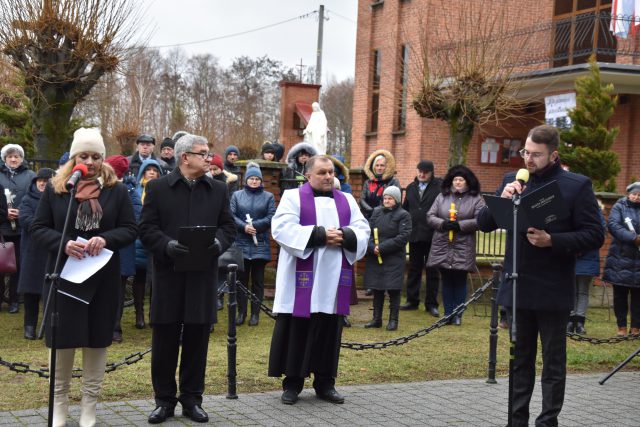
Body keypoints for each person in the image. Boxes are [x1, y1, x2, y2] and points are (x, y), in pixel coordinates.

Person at [477, 124, 604, 426]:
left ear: (554, 154)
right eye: (525, 152)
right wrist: (504, 199)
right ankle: (516, 420)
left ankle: (547, 420)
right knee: (519, 361)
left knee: (552, 363)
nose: (528, 160)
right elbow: (483, 223)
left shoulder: (576, 185)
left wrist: (554, 240)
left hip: (552, 288)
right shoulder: (513, 180)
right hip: (518, 285)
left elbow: (595, 234)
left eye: (536, 154)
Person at [31, 127, 137, 427]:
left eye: (95, 156)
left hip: (101, 278)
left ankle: (89, 406)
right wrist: (63, 243)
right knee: (62, 340)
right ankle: (59, 404)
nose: (89, 161)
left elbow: (131, 228)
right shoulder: (56, 188)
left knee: (96, 339)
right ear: (73, 157)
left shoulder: (115, 190)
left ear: (102, 158)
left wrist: (105, 239)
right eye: (83, 155)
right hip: (64, 277)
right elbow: (38, 228)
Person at [139, 134, 235, 424]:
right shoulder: (156, 188)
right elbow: (146, 229)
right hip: (168, 276)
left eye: (208, 153)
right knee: (165, 340)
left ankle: (192, 400)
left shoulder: (218, 190)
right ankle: (164, 401)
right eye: (203, 153)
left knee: (197, 340)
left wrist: (218, 244)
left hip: (202, 276)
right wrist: (167, 245)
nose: (209, 158)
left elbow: (228, 227)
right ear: (185, 158)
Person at [268, 155, 370, 405]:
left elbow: (363, 229)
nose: (327, 176)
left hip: (333, 280)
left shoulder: (346, 199)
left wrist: (346, 235)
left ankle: (325, 383)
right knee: (297, 330)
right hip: (299, 281)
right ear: (308, 175)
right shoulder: (293, 198)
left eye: (331, 172)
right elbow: (281, 228)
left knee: (328, 331)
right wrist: (320, 235)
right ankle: (292, 383)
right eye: (322, 172)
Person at [427, 165, 484, 326]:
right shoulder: (442, 197)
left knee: (459, 280)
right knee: (446, 280)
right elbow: (430, 216)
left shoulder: (476, 199)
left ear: (467, 182)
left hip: (463, 245)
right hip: (443, 243)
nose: (458, 182)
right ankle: (448, 313)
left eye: (461, 179)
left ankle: (458, 313)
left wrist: (460, 225)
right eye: (455, 179)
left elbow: (480, 220)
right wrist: (443, 224)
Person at [230, 163, 276, 326]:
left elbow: (271, 217)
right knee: (241, 281)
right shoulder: (237, 196)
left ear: (261, 181)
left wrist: (255, 226)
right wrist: (244, 227)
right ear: (246, 180)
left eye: (257, 179)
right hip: (241, 243)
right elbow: (231, 214)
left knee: (258, 281)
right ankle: (241, 313)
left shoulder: (268, 197)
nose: (254, 181)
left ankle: (255, 314)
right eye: (251, 178)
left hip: (260, 245)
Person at [363, 186, 411, 331]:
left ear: (396, 200)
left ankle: (393, 320)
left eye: (390, 198)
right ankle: (376, 319)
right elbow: (368, 232)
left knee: (393, 290)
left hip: (393, 257)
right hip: (375, 256)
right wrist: (372, 247)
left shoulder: (404, 215)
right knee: (377, 288)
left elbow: (403, 237)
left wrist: (382, 248)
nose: (386, 201)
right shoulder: (376, 212)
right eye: (385, 198)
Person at [105, 155, 142, 343]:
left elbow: (135, 218)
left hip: (121, 249)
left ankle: (115, 328)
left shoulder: (130, 191)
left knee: (118, 290)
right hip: (101, 248)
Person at [16, 167, 55, 339]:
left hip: (50, 249)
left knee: (50, 290)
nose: (42, 183)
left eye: (47, 181)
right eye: (40, 180)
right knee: (31, 291)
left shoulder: (57, 199)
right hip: (32, 249)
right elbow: (25, 219)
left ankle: (48, 325)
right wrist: (44, 229)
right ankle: (29, 326)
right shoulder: (27, 199)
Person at [401, 160, 443, 317]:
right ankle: (412, 301)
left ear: (431, 173)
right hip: (415, 234)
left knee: (432, 270)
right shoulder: (411, 188)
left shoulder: (439, 188)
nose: (422, 174)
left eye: (425, 171)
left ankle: (431, 304)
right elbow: (406, 208)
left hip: (433, 235)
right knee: (414, 269)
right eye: (420, 171)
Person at [0, 143, 36, 313]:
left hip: (22, 229)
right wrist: (4, 214)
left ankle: (15, 300)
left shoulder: (31, 176)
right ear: (4, 158)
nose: (13, 159)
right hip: (1, 228)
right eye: (10, 156)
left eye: (17, 156)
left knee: (17, 266)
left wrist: (22, 213)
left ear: (22, 158)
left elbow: (37, 198)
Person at [603, 181, 640, 337]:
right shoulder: (620, 207)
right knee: (620, 295)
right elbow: (614, 225)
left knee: (638, 296)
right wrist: (634, 238)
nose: (637, 197)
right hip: (620, 257)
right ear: (628, 193)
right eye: (634, 194)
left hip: (638, 260)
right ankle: (622, 326)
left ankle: (636, 327)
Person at [132, 159, 164, 329]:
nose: (151, 172)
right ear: (143, 172)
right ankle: (139, 314)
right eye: (148, 169)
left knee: (155, 279)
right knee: (139, 278)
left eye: (155, 170)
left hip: (156, 239)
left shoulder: (163, 191)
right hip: (138, 240)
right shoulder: (135, 191)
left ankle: (154, 313)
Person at [568, 204, 605, 335]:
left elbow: (599, 233)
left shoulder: (595, 211)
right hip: (571, 254)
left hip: (587, 256)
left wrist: (580, 246)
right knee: (571, 290)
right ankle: (570, 319)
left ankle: (579, 321)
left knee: (582, 291)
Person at [359, 149, 400, 220]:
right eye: (377, 165)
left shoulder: (393, 181)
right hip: (368, 216)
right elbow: (362, 200)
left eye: (382, 165)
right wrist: (371, 211)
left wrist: (377, 212)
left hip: (387, 217)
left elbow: (395, 201)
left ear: (387, 167)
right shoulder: (368, 182)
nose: (379, 168)